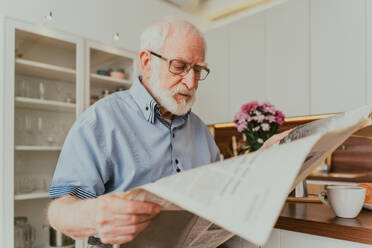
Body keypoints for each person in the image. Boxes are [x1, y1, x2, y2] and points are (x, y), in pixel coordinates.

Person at [47, 18, 290, 247]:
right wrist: (93, 215)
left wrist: (260, 162)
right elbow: (59, 211)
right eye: (180, 66)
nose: (191, 83)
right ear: (146, 62)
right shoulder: (100, 121)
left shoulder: (200, 131)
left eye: (197, 70)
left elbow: (220, 194)